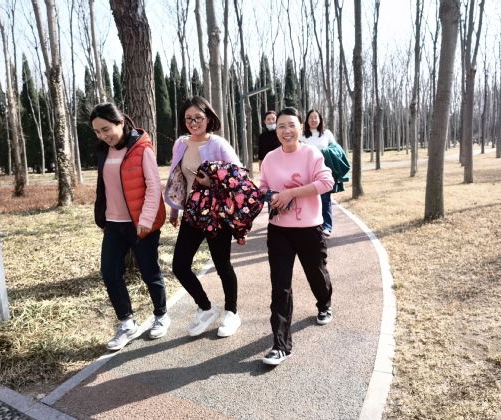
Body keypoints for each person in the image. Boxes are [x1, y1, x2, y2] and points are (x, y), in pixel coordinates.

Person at [91, 103, 170, 351]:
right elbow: (103, 188)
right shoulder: (103, 151)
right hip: (113, 225)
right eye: (97, 131)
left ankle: (161, 315)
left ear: (121, 123)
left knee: (149, 272)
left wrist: (145, 220)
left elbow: (154, 186)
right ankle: (127, 324)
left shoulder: (142, 149)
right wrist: (102, 218)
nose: (103, 136)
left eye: (106, 129)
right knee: (110, 273)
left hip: (140, 224)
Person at [259, 107, 335, 365]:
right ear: (275, 130)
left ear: (301, 128)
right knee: (280, 285)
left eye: (291, 125)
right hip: (279, 229)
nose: (286, 130)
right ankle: (280, 345)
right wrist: (272, 197)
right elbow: (263, 188)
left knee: (316, 273)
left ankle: (324, 303)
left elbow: (326, 183)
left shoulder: (311, 154)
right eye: (281, 126)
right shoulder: (269, 159)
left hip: (309, 229)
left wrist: (291, 193)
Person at [164, 96, 243, 338]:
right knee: (180, 266)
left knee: (222, 265)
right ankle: (206, 308)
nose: (194, 122)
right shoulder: (180, 144)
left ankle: (232, 312)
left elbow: (238, 176)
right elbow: (178, 178)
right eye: (188, 118)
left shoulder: (218, 144)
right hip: (192, 212)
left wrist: (212, 182)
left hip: (216, 213)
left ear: (208, 118)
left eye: (198, 117)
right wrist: (175, 209)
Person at [299, 109, 336, 237]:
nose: (313, 120)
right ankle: (311, 224)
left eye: (316, 117)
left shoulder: (327, 133)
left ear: (320, 120)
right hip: (306, 171)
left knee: (325, 199)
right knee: (308, 198)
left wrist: (326, 153)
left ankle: (327, 226)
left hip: (323, 170)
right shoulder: (302, 135)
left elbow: (335, 148)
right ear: (307, 120)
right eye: (311, 117)